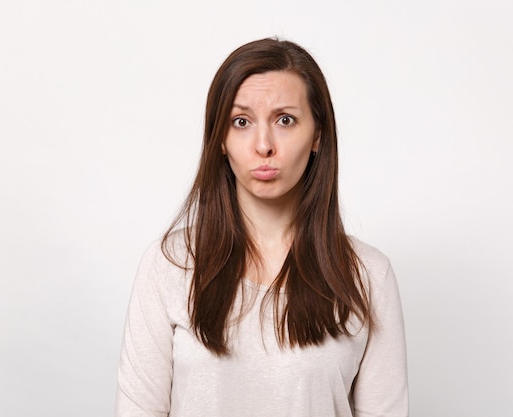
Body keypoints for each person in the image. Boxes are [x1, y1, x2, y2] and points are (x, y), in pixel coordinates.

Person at [115, 38, 408, 417]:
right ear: (221, 138)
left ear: (317, 135)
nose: (264, 144)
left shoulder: (368, 275)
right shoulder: (168, 265)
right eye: (242, 122)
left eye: (285, 120)